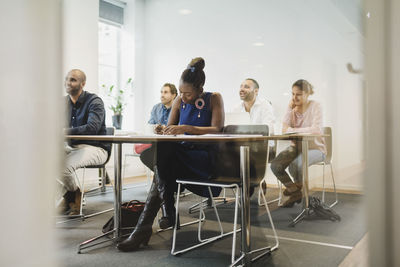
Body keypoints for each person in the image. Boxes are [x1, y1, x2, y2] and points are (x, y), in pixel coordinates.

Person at [117, 57, 225, 252]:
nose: (183, 98)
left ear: (200, 88)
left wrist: (187, 128)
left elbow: (217, 129)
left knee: (162, 169)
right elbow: (170, 129)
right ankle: (159, 213)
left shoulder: (213, 98)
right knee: (163, 150)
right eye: (181, 92)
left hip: (203, 159)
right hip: (180, 156)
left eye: (188, 93)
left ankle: (156, 218)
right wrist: (163, 129)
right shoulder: (178, 101)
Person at [58, 69, 111, 215]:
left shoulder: (94, 102)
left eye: (73, 79)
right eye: (67, 79)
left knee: (63, 167)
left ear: (83, 84)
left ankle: (72, 196)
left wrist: (65, 132)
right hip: (73, 147)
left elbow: (92, 128)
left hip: (96, 148)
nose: (68, 82)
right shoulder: (63, 103)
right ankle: (71, 196)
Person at [270, 79, 326, 208]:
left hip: (316, 149)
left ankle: (295, 192)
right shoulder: (293, 109)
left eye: (299, 94)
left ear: (307, 94)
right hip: (296, 147)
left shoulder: (315, 106)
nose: (295, 97)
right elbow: (284, 129)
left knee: (296, 165)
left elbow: (316, 130)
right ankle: (295, 192)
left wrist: (293, 130)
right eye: (293, 94)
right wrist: (289, 108)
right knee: (275, 165)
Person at [233, 78, 276, 157]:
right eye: (241, 86)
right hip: (242, 146)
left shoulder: (265, 105)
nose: (242, 89)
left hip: (263, 146)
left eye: (246, 87)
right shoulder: (237, 108)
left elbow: (269, 129)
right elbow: (232, 130)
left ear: (256, 91)